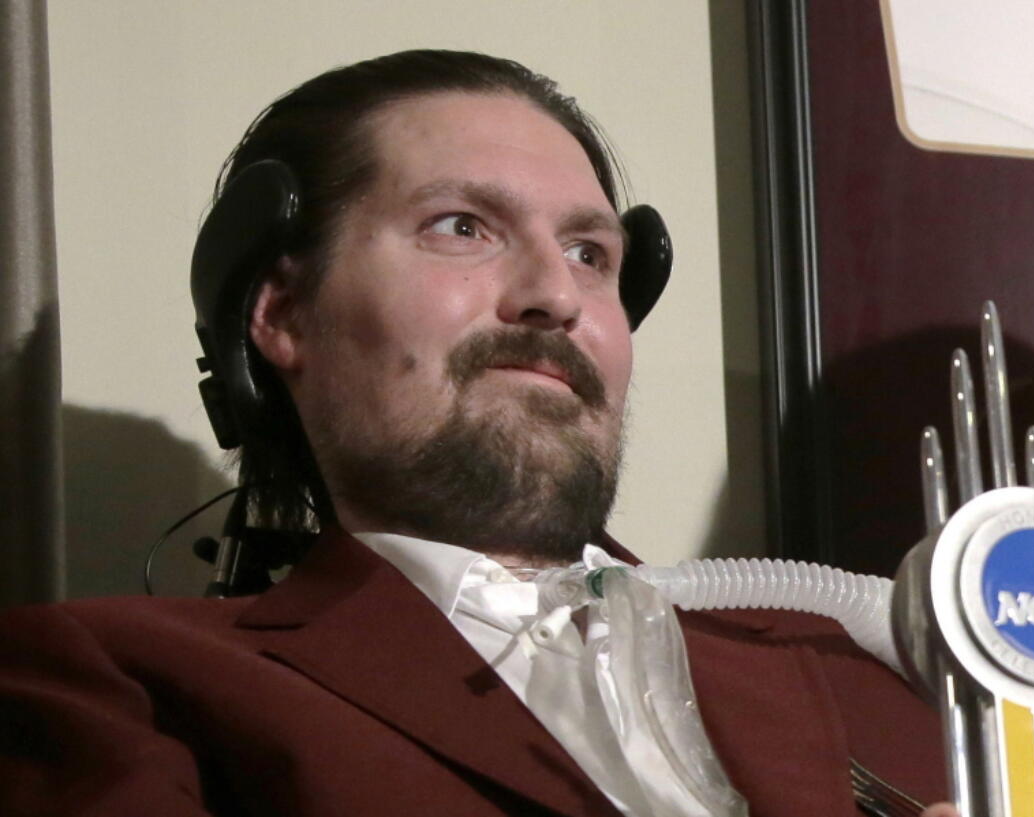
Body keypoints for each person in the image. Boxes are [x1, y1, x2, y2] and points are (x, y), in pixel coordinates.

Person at [0, 49, 951, 816]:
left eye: (591, 253)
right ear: (283, 313)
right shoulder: (120, 681)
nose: (555, 295)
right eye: (462, 226)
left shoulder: (853, 659)